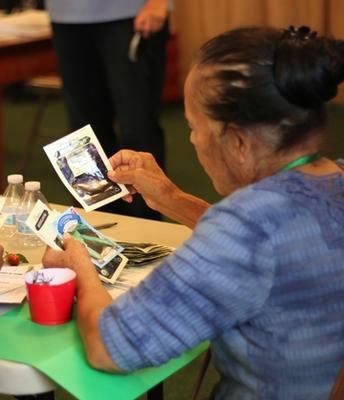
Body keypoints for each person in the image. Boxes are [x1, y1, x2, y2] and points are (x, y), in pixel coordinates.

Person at [43, 26, 344, 399]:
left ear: (238, 142)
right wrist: (169, 197)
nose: (191, 140)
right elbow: (270, 247)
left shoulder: (248, 228)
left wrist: (81, 269)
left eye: (193, 127)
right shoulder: (333, 181)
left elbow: (110, 347)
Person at [44, 0, 170, 219]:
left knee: (138, 128)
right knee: (83, 133)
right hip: (65, 17)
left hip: (130, 15)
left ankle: (149, 230)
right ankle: (97, 224)